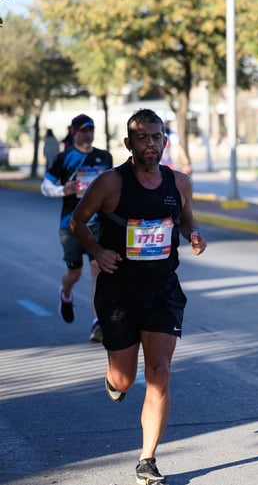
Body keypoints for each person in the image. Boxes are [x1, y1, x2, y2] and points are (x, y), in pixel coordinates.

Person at [70, 108, 207, 485]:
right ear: (129, 143)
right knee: (127, 378)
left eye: (157, 137)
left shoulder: (179, 182)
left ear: (165, 140)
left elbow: (185, 219)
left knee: (160, 373)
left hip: (162, 287)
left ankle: (147, 459)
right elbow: (77, 221)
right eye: (143, 137)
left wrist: (193, 234)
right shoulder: (110, 183)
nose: (151, 144)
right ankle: (114, 380)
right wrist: (97, 251)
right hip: (119, 291)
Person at [41, 114, 113, 342]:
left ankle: (96, 324)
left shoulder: (104, 157)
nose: (88, 134)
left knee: (97, 270)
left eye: (91, 130)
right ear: (74, 133)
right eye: (83, 130)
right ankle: (66, 293)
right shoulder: (64, 158)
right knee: (75, 273)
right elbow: (45, 186)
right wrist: (64, 189)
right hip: (71, 225)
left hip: (98, 225)